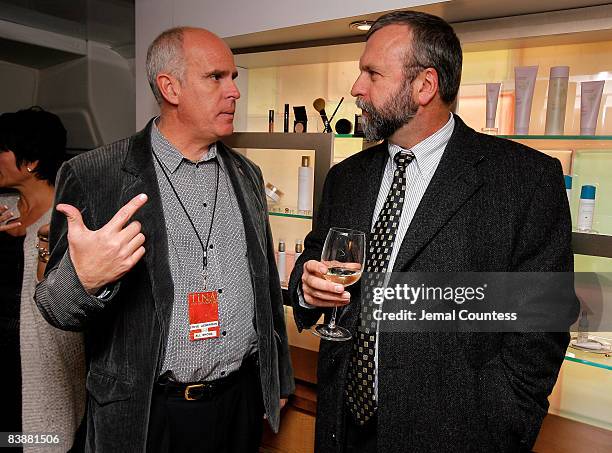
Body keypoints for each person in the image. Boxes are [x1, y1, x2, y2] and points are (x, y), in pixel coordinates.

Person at [289, 11, 577, 453]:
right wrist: (308, 290)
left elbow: (541, 326)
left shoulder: (525, 180)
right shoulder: (346, 177)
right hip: (343, 429)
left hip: (455, 436)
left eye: (372, 73)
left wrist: (500, 424)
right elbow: (310, 267)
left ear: (425, 86)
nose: (356, 88)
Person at [35, 27, 293, 452]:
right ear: (169, 87)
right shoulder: (95, 175)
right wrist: (86, 280)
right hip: (149, 413)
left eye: (234, 78)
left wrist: (276, 379)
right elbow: (55, 308)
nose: (234, 92)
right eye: (216, 77)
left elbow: (265, 286)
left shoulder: (247, 173)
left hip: (239, 402)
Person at [0, 107, 85, 452]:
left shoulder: (70, 221)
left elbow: (71, 305)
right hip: (2, 369)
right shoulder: (2, 209)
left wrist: (48, 248)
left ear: (31, 160)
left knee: (36, 441)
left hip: (38, 370)